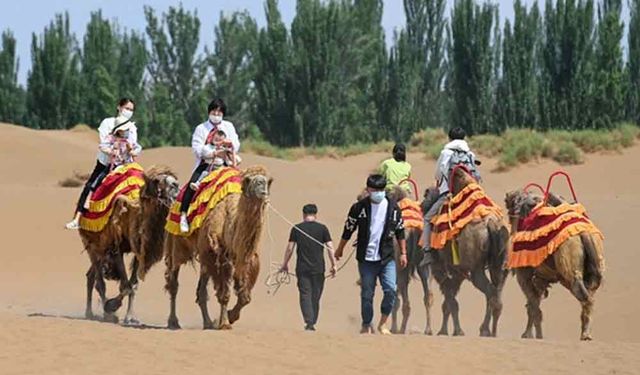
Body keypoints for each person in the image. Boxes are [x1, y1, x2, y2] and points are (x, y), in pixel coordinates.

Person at [335, 174, 407, 335]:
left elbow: (400, 231)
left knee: (390, 290)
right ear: (368, 190)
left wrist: (403, 253)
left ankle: (383, 323)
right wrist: (340, 249)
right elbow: (348, 229)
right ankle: (367, 323)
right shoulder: (358, 208)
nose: (378, 193)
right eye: (375, 190)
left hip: (387, 258)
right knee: (367, 294)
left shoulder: (393, 208)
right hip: (366, 259)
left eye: (381, 190)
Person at [65, 98, 141, 230]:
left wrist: (131, 150)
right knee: (91, 186)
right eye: (127, 108)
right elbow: (104, 144)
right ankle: (78, 217)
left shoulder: (132, 128)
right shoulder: (108, 123)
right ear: (119, 107)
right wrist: (114, 149)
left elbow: (136, 147)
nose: (129, 112)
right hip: (106, 164)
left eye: (131, 110)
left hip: (126, 165)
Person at [420, 126, 481, 265]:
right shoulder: (470, 154)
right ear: (464, 138)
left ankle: (427, 252)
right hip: (471, 195)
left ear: (450, 138)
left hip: (449, 194)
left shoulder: (446, 152)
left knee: (428, 219)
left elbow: (438, 173)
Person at [180, 98, 240, 233]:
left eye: (219, 112)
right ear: (209, 112)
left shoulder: (228, 127)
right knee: (192, 185)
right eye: (214, 111)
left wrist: (229, 145)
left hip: (226, 164)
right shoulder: (201, 129)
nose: (217, 114)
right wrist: (213, 152)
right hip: (206, 164)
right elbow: (197, 149)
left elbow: (236, 143)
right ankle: (183, 215)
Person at [280, 204, 337, 331]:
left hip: (302, 268)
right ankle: (311, 321)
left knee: (305, 294)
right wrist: (334, 264)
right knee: (315, 295)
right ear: (316, 214)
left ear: (303, 214)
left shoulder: (297, 228)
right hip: (318, 269)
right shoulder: (323, 229)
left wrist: (285, 264)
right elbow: (330, 247)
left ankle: (309, 321)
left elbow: (290, 248)